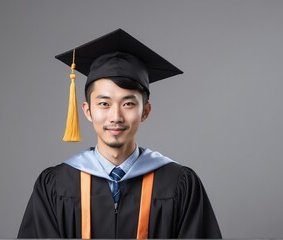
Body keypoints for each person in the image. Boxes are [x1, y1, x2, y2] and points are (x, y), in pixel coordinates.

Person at [17, 29, 222, 239]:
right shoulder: (55, 185)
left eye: (128, 104)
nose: (116, 116)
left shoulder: (179, 183)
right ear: (87, 111)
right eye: (104, 103)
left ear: (145, 111)